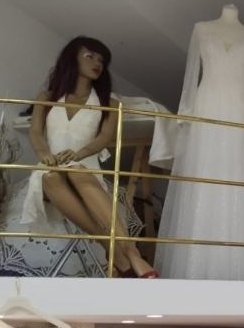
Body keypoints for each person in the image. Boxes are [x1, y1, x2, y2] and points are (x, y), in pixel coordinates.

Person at [22, 36, 157, 277]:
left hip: (85, 169)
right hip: (51, 167)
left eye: (101, 60)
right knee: (50, 176)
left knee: (76, 170)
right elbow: (35, 133)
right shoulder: (47, 97)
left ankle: (127, 253)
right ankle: (122, 251)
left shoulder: (110, 103)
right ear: (72, 58)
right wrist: (45, 155)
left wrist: (78, 153)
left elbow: (104, 139)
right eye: (90, 56)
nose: (97, 63)